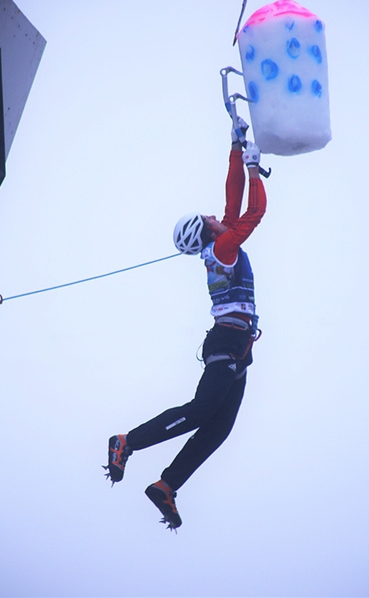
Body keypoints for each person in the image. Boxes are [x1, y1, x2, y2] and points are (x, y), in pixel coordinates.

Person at [104, 119, 267, 530]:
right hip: (228, 341)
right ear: (206, 230)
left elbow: (233, 200)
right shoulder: (225, 245)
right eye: (208, 217)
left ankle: (166, 486)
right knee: (200, 412)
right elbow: (255, 211)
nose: (215, 214)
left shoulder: (220, 241)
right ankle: (128, 442)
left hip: (239, 347)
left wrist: (237, 145)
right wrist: (253, 167)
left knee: (219, 429)